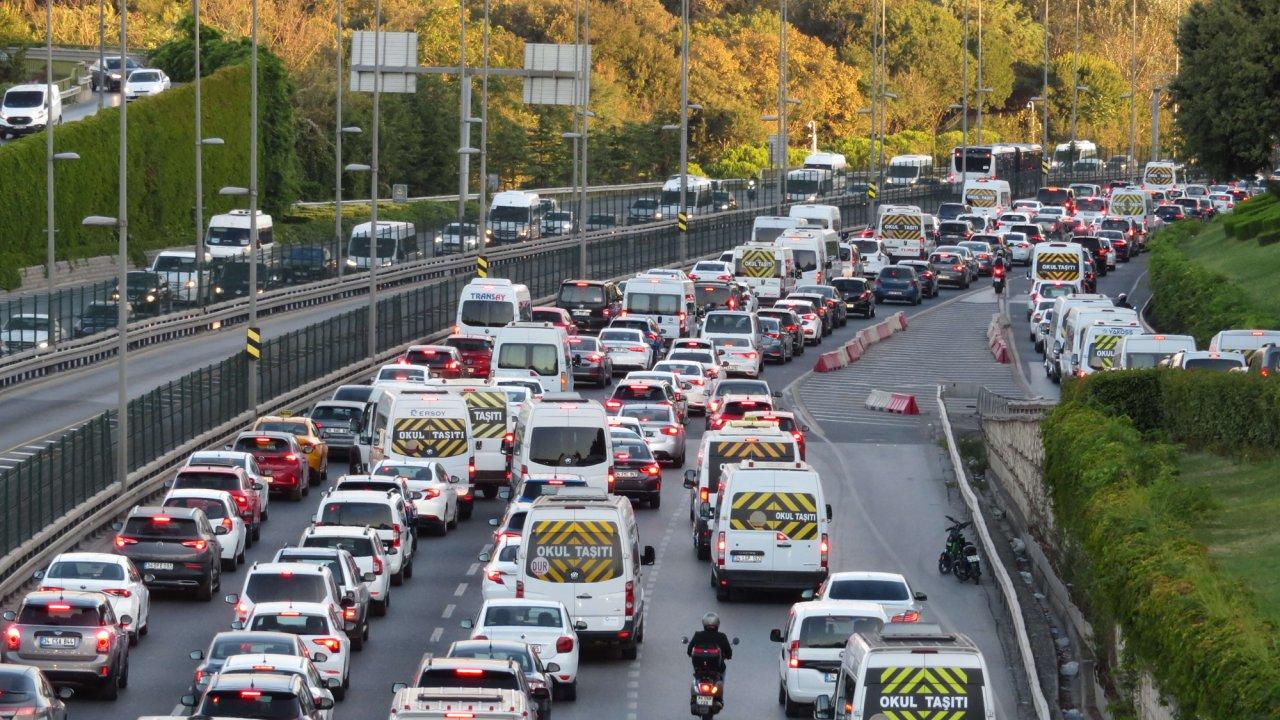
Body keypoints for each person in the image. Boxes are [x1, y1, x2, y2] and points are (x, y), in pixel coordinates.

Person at [687, 612, 733, 702]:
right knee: (723, 671)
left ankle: (694, 696)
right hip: (717, 669)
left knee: (696, 677)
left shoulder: (698, 635)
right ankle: (719, 697)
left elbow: (689, 650)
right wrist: (728, 656)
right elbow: (729, 653)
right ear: (717, 623)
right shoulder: (722, 636)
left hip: (699, 669)